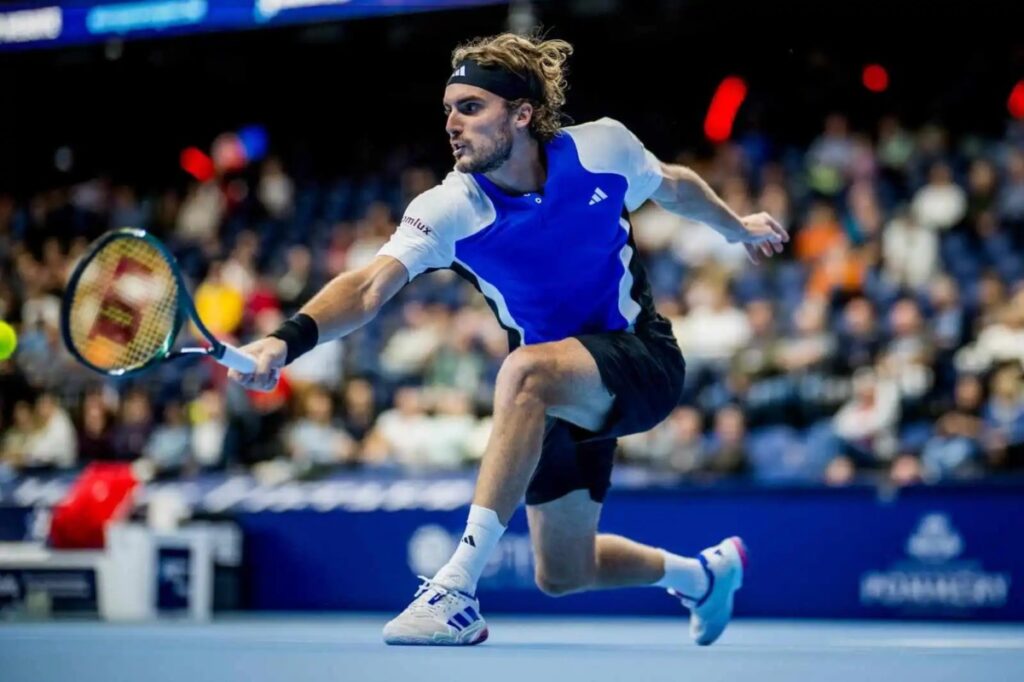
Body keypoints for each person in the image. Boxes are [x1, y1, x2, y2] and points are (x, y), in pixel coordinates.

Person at [229, 32, 787, 647]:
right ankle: (703, 575)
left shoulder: (602, 147)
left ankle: (457, 591)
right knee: (565, 572)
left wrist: (736, 228)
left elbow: (673, 185)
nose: (452, 124)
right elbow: (366, 289)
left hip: (640, 359)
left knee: (522, 372)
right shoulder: (451, 207)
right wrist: (282, 343)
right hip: (559, 393)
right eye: (447, 110)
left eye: (470, 107)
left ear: (521, 114)